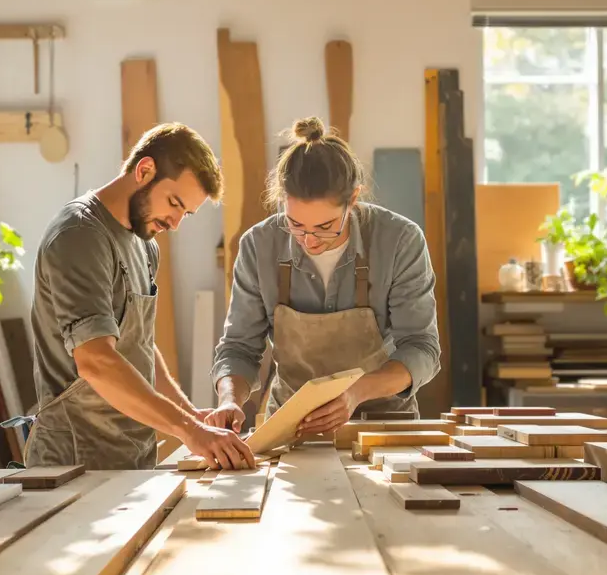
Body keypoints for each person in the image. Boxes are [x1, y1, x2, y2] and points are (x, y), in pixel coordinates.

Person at [26, 123, 256, 471]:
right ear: (144, 170)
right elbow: (96, 361)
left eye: (186, 213)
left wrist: (193, 416)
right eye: (174, 203)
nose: (175, 223)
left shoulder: (144, 244)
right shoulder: (79, 236)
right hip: (72, 462)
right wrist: (191, 430)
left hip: (130, 458)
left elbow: (140, 347)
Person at [207, 117, 441, 438]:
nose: (310, 240)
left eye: (325, 226)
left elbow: (421, 347)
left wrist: (356, 393)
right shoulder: (259, 245)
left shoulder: (399, 240)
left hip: (382, 425)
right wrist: (230, 401)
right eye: (295, 224)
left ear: (354, 199)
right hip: (293, 425)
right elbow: (239, 348)